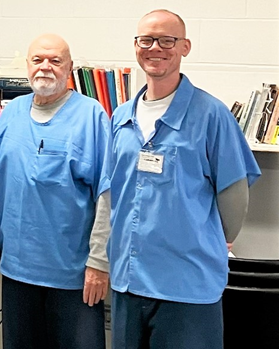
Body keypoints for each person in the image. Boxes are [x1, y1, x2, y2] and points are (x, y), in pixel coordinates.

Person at [105, 9, 260, 348]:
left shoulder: (211, 114)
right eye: (146, 40)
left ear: (185, 47)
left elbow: (235, 196)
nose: (155, 48)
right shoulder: (120, 118)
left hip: (186, 285)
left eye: (167, 40)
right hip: (128, 282)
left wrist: (214, 241)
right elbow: (111, 194)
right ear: (135, 46)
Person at [0, 34, 109, 349]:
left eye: (55, 60)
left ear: (69, 68)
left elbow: (108, 196)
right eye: (38, 60)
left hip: (73, 277)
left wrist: (99, 262)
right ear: (27, 65)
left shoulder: (92, 117)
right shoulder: (10, 114)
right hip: (17, 272)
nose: (45, 68)